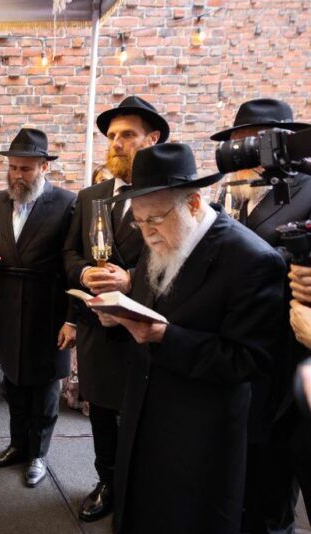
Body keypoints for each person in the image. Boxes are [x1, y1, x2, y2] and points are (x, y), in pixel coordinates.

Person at [96, 143, 285, 534]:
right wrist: (118, 316)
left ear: (194, 204)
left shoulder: (252, 259)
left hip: (200, 434)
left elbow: (249, 360)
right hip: (144, 414)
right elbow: (149, 306)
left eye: (155, 220)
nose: (147, 232)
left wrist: (166, 337)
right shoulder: (160, 235)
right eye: (139, 221)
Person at [62, 95, 168, 522]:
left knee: (147, 417)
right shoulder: (91, 197)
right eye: (111, 136)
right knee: (102, 416)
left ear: (152, 139)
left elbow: (180, 260)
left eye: (127, 135)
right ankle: (106, 481)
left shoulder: (169, 194)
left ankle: (142, 490)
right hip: (98, 331)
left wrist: (130, 281)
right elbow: (69, 254)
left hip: (146, 330)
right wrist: (85, 273)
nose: (116, 143)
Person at [210, 98, 311, 534]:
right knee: (240, 472)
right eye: (237, 143)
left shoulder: (308, 189)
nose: (244, 153)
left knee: (274, 480)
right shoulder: (232, 194)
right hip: (239, 350)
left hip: (288, 358)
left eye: (253, 142)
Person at [0, 128, 76, 488]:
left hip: (48, 306)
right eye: (13, 167)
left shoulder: (67, 203)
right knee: (13, 381)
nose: (17, 175)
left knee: (45, 386)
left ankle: (39, 454)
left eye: (26, 169)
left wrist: (72, 319)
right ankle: (17, 445)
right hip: (7, 304)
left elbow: (73, 267)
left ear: (44, 167)